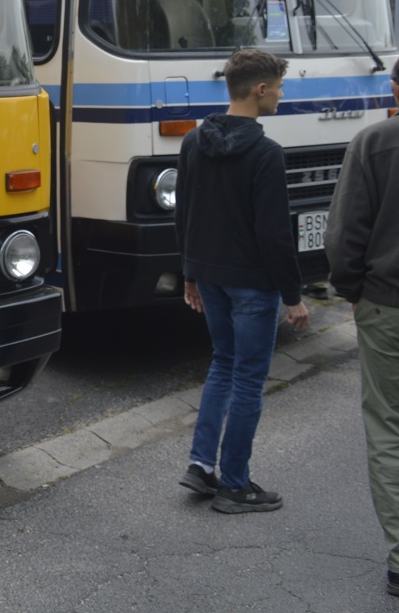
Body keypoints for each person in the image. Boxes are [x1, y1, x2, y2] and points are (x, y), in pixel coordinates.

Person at [175, 48, 309, 513]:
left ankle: (200, 466)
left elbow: (184, 214)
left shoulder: (193, 142)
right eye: (279, 86)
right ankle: (235, 484)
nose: (282, 94)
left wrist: (190, 274)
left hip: (208, 276)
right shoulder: (266, 153)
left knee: (223, 365)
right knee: (249, 380)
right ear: (260, 89)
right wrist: (293, 296)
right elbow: (274, 233)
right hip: (253, 283)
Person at [326, 60, 399, 596]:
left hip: (387, 306)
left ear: (395, 87)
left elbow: (345, 233)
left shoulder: (374, 144)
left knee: (389, 427)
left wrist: (352, 291)